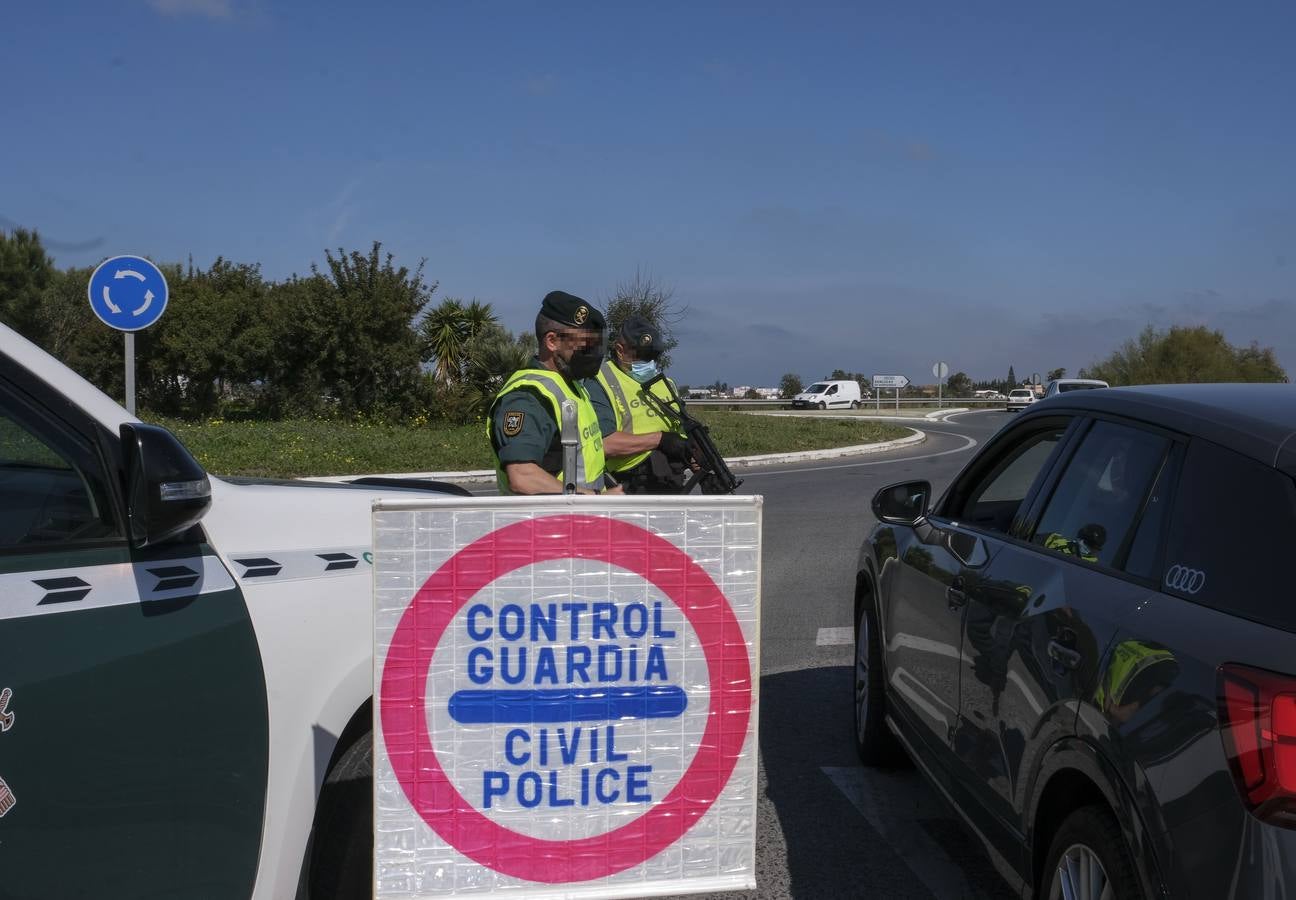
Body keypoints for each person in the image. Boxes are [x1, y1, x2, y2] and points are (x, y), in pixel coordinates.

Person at [486, 291, 623, 495]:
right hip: (544, 523)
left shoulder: (573, 386)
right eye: (585, 347)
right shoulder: (528, 397)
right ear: (552, 341)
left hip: (579, 518)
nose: (594, 356)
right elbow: (522, 475)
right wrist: (593, 498)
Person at [584, 315, 696, 493]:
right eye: (640, 356)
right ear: (620, 351)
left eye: (652, 356)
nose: (648, 363)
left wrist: (698, 462)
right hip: (628, 486)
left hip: (671, 484)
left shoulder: (667, 384)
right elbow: (604, 443)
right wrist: (660, 440)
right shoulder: (601, 380)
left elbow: (681, 438)